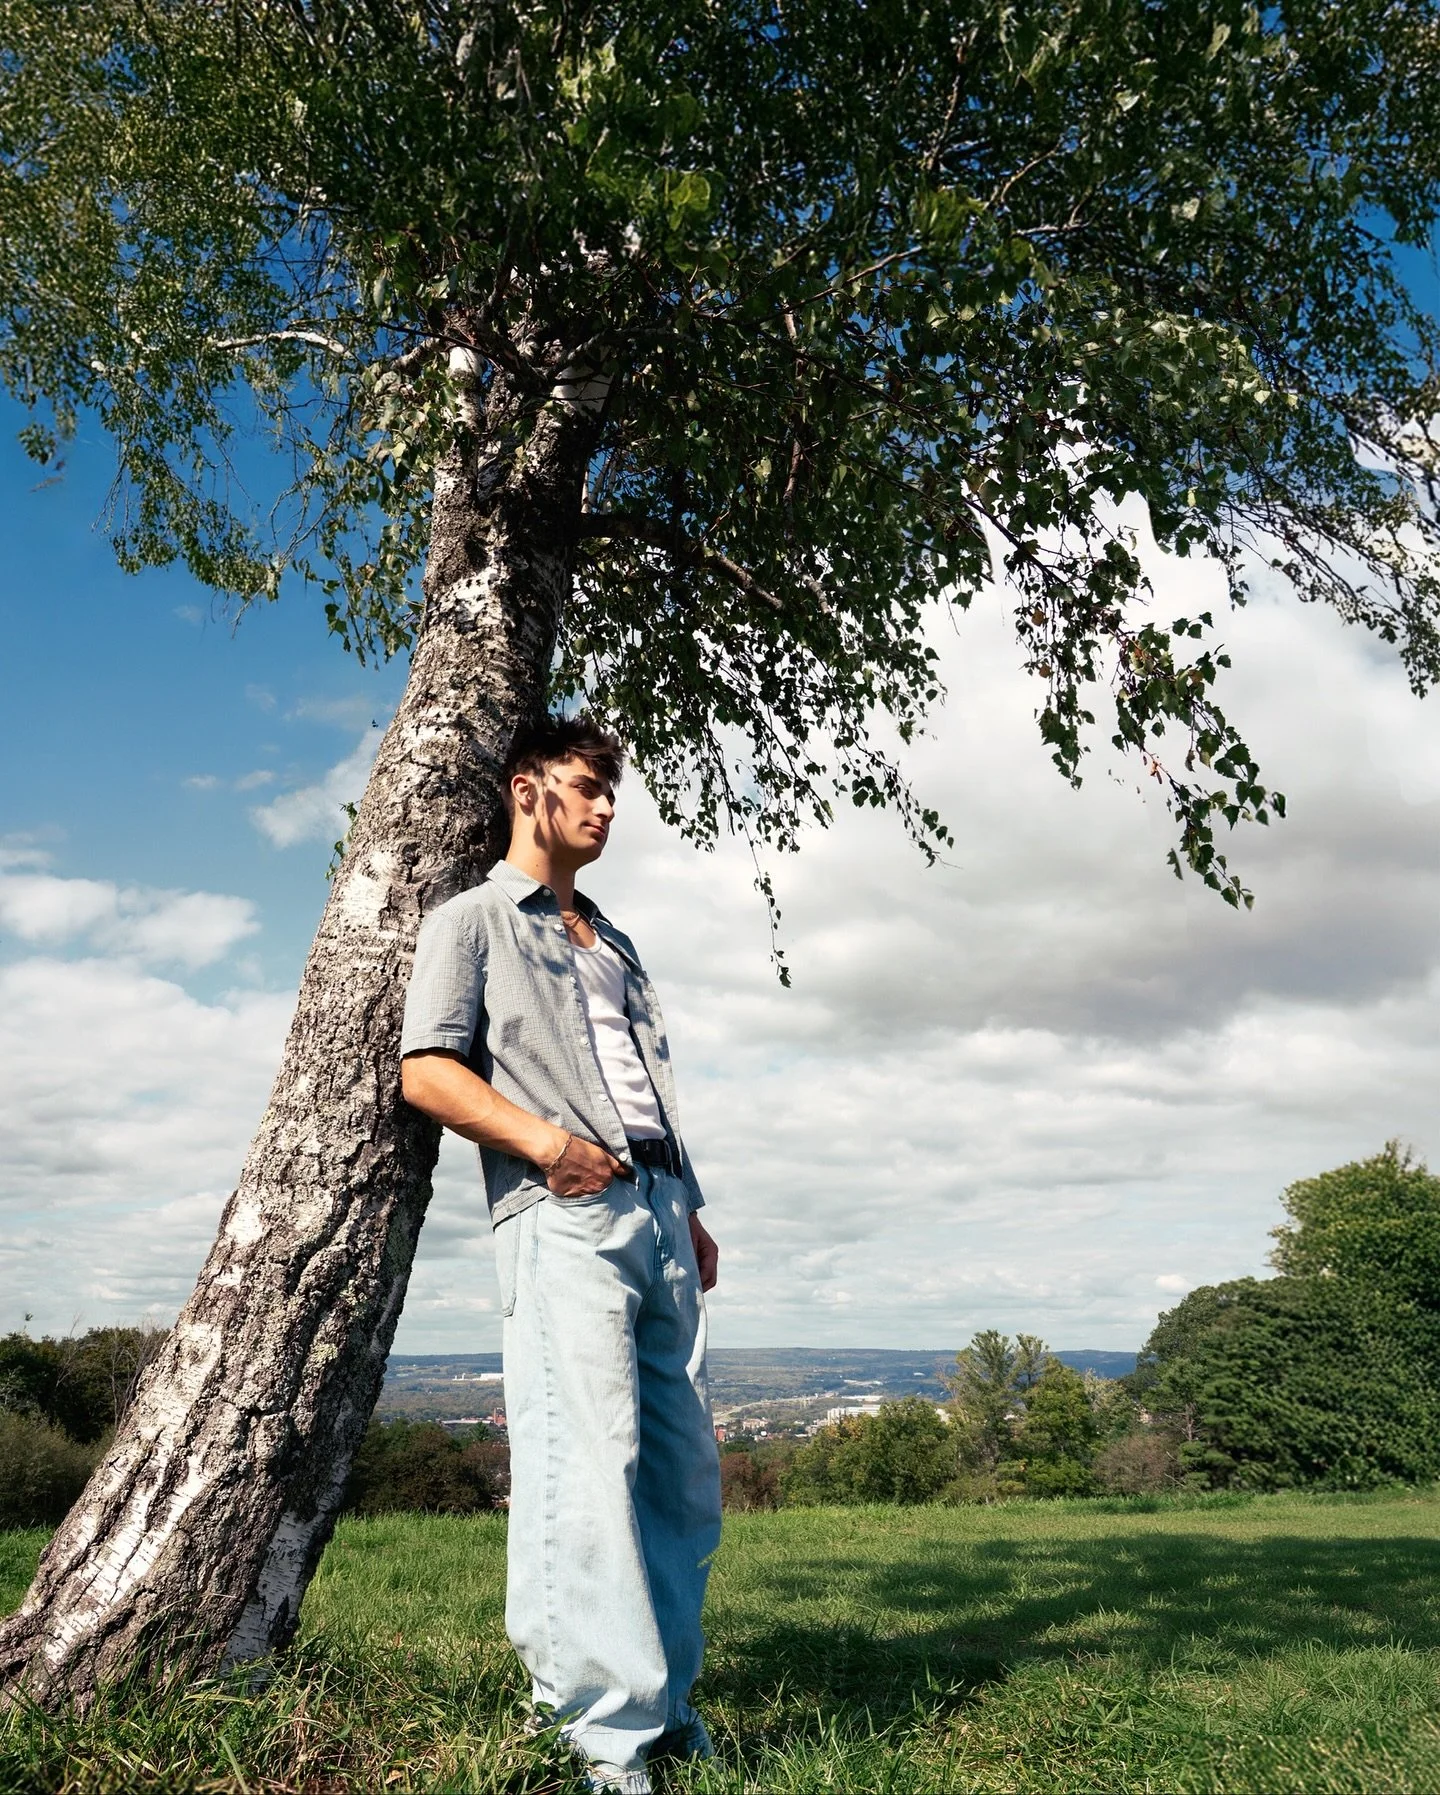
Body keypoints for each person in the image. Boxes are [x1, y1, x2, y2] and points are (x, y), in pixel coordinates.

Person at [399, 714, 722, 1795]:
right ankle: (596, 1739)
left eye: (612, 792)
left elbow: (645, 1079)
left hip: (662, 1210)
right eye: (587, 787)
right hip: (564, 1207)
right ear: (527, 788)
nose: (606, 808)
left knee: (682, 1479)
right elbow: (428, 1072)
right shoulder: (473, 920)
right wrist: (547, 1146)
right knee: (584, 1470)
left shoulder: (615, 940)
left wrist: (693, 1205)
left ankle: (668, 1709)